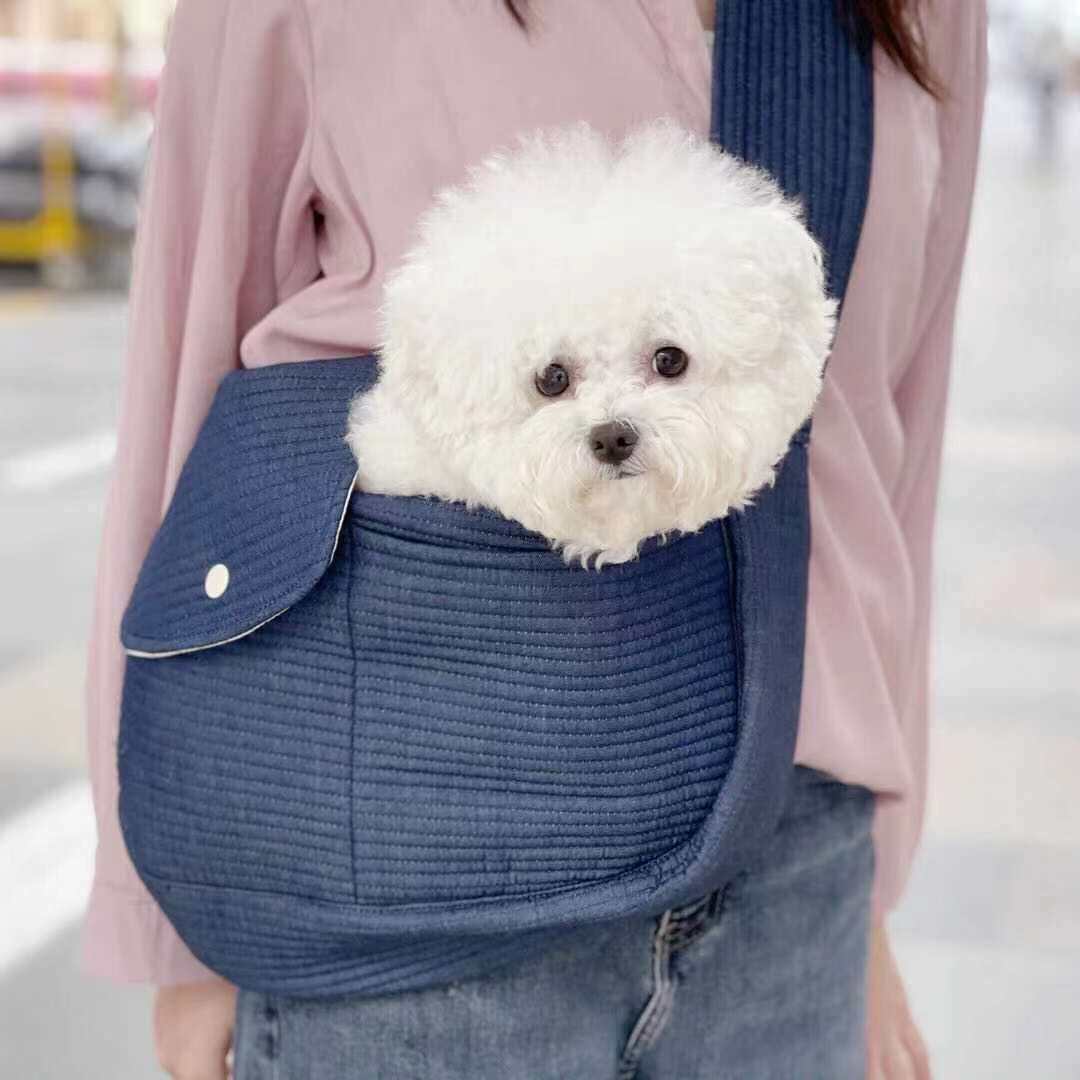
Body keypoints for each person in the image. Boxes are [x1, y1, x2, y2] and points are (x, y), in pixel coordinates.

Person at [82, 2, 987, 1077]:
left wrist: (875, 891)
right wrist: (179, 924)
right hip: (417, 881)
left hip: (794, 880)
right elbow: (187, 388)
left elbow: (889, 444)